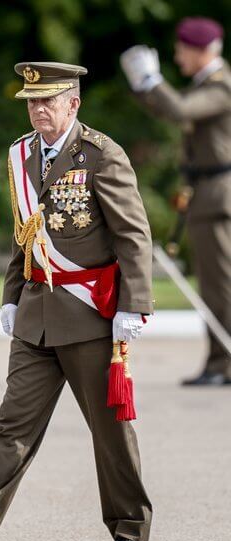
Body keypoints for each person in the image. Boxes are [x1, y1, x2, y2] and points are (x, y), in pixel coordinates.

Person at [0, 62, 155, 541]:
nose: (38, 109)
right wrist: (11, 293)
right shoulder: (21, 154)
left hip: (91, 315)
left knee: (109, 429)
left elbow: (133, 235)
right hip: (36, 313)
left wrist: (135, 306)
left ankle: (130, 527)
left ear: (74, 102)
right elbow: (24, 234)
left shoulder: (101, 155)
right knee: (13, 423)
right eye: (31, 101)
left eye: (48, 100)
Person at [121, 17, 231, 387]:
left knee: (221, 287)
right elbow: (172, 109)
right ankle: (221, 360)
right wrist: (143, 86)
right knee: (214, 285)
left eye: (182, 48)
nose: (177, 55)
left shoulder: (222, 85)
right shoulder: (207, 84)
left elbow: (181, 110)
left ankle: (224, 363)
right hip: (209, 195)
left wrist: (152, 79)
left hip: (220, 198)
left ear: (201, 50)